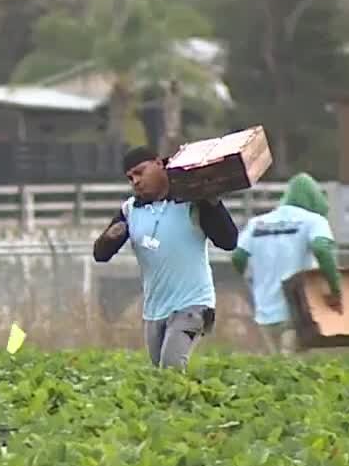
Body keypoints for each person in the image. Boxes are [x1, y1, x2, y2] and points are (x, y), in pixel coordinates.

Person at [93, 146, 240, 370]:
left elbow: (228, 241)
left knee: (171, 367)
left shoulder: (192, 201)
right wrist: (108, 239)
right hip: (154, 310)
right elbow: (100, 255)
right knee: (161, 376)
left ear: (159, 164)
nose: (135, 181)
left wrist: (213, 203)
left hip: (193, 304)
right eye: (130, 178)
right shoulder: (130, 210)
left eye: (140, 172)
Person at [231, 172, 341, 355]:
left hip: (265, 312)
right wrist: (335, 288)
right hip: (298, 311)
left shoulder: (258, 223)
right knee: (292, 370)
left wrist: (251, 283)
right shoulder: (313, 221)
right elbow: (322, 249)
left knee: (274, 370)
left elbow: (238, 257)